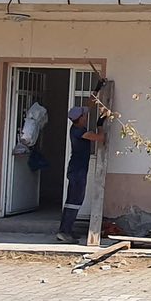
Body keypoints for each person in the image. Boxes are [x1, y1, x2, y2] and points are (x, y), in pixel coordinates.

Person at [56, 95, 105, 242]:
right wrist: (100, 123)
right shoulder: (79, 132)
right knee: (74, 201)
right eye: (84, 115)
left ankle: (65, 230)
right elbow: (100, 138)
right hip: (78, 170)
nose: (86, 115)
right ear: (81, 118)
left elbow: (88, 106)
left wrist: (97, 90)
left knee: (73, 201)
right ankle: (65, 231)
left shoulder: (77, 126)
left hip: (76, 169)